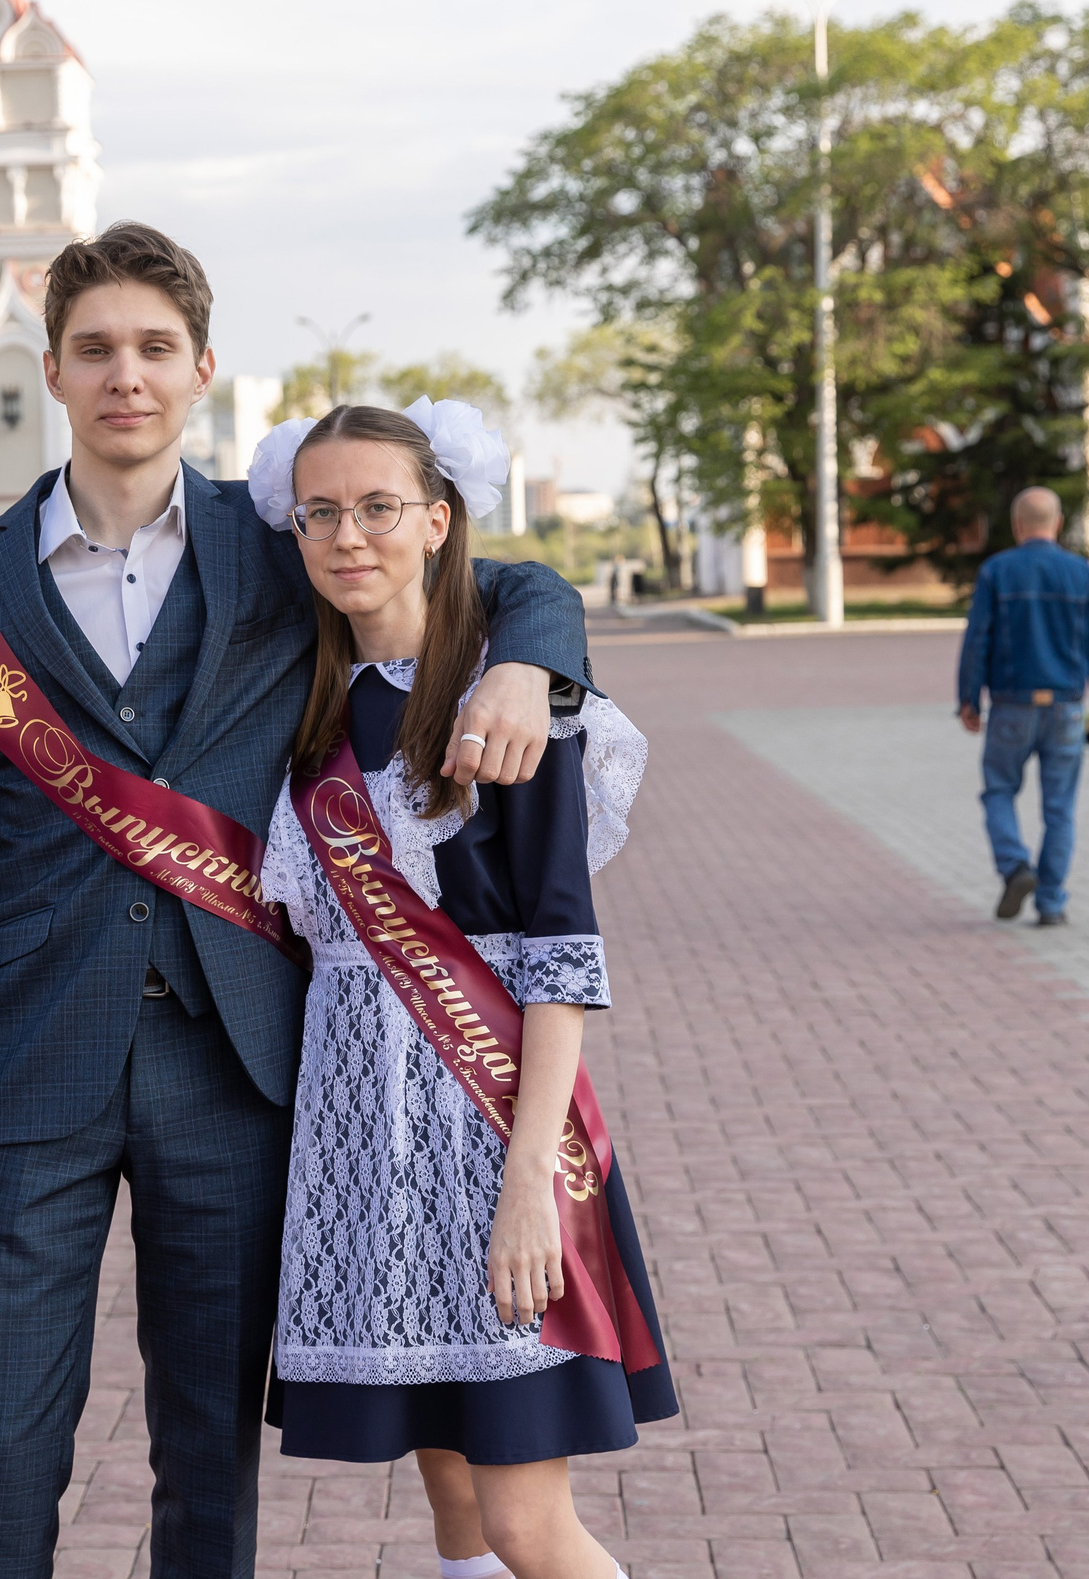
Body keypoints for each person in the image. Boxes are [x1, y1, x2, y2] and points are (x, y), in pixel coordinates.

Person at [0, 222, 590, 1578]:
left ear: (201, 370)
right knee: (1, 1450)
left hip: (240, 1069)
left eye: (154, 348)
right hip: (22, 1071)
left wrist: (524, 665)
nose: (124, 376)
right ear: (50, 370)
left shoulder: (277, 550)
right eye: (95, 350)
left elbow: (506, 581)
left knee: (209, 1459)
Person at [251, 403, 672, 1579]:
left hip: (488, 1129)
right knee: (451, 1504)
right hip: (359, 1137)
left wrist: (529, 1185)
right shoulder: (304, 698)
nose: (349, 535)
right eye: (320, 512)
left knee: (526, 1523)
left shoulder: (514, 702)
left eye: (378, 507)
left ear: (437, 522)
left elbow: (559, 959)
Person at [956, 486, 1089, 928]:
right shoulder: (1080, 573)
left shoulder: (997, 571)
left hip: (1011, 705)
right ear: (1058, 524)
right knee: (1059, 808)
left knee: (998, 790)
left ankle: (1015, 866)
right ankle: (1051, 904)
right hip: (1066, 708)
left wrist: (968, 699)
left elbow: (977, 639)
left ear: (1016, 526)